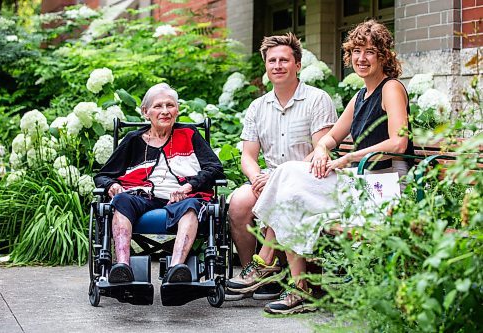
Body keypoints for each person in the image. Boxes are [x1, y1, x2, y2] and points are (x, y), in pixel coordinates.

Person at [247, 19, 415, 315]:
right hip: (363, 183)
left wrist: (349, 157)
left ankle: (272, 262)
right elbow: (332, 137)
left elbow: (399, 143)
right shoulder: (360, 96)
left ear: (384, 56)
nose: (361, 59)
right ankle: (297, 286)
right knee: (290, 178)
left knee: (291, 183)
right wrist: (323, 149)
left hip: (386, 187)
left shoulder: (391, 89)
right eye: (356, 52)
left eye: (370, 52)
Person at [226, 32, 338, 300]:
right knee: (240, 202)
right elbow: (248, 156)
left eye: (284, 60)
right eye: (272, 60)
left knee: (283, 195)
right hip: (269, 179)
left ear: (297, 65)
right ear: (266, 66)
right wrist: (257, 178)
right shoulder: (257, 107)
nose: (277, 65)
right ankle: (260, 276)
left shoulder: (316, 99)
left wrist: (279, 180)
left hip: (310, 179)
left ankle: (267, 266)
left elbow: (319, 150)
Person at [94, 83, 223, 284]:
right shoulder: (133, 140)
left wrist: (190, 186)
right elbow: (103, 175)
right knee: (121, 200)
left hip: (182, 198)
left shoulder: (189, 135)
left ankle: (177, 270)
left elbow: (215, 168)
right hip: (141, 197)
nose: (165, 111)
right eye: (158, 106)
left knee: (191, 206)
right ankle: (122, 268)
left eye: (170, 105)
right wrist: (111, 185)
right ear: (146, 112)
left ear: (177, 110)